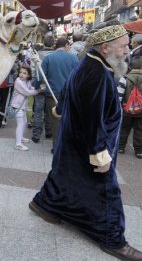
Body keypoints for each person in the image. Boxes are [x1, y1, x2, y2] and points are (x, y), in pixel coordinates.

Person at [30, 25, 142, 260]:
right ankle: (113, 239)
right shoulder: (97, 73)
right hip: (87, 144)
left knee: (63, 175)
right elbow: (93, 119)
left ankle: (44, 204)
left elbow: (69, 91)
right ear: (105, 48)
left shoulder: (89, 63)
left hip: (71, 142)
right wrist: (99, 153)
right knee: (106, 190)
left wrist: (60, 108)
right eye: (123, 46)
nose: (127, 51)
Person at [40, 37, 79, 152]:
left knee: (55, 120)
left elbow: (41, 76)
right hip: (69, 94)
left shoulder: (48, 58)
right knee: (68, 119)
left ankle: (56, 146)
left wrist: (36, 85)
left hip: (52, 94)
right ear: (66, 45)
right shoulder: (73, 58)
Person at [117, 43, 142, 158]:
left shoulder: (124, 79)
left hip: (126, 109)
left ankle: (121, 147)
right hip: (141, 111)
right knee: (139, 130)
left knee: (124, 129)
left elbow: (119, 96)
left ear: (130, 67)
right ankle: (139, 151)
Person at [32, 33, 54, 143]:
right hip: (51, 88)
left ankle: (36, 133)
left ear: (44, 42)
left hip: (40, 87)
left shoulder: (36, 55)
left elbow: (33, 72)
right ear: (53, 43)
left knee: (38, 111)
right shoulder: (55, 56)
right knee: (50, 111)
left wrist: (35, 86)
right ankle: (49, 131)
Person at [11, 65, 40, 151]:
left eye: (24, 73)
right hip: (17, 106)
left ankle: (21, 138)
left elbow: (31, 88)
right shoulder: (18, 81)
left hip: (22, 106)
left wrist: (37, 87)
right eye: (20, 72)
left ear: (28, 75)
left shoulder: (27, 81)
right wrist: (38, 91)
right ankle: (18, 144)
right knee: (20, 124)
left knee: (24, 122)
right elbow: (27, 92)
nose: (21, 75)